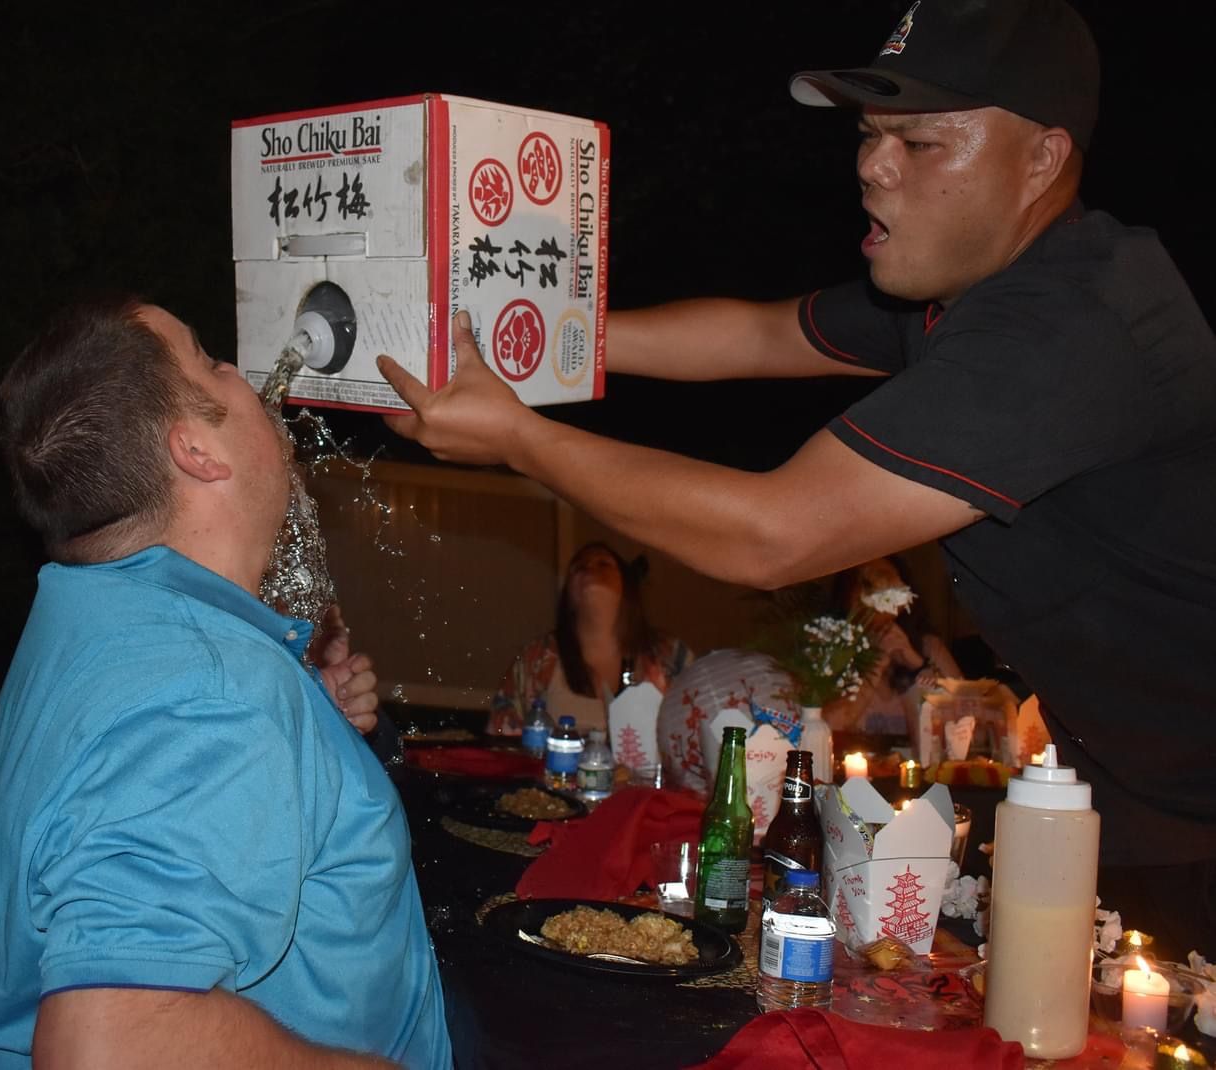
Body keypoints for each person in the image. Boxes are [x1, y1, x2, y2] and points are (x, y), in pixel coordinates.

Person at [376, 0, 1216, 954]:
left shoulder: (1070, 322)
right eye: (868, 134)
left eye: (921, 143)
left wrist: (520, 438)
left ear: (1041, 159)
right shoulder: (960, 293)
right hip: (1134, 793)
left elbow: (777, 533)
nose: (871, 165)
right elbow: (759, 333)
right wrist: (543, 351)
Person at [0, 296, 451, 1068]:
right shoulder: (212, 693)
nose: (240, 373)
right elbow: (108, 1043)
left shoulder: (93, 617)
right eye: (211, 360)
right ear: (196, 450)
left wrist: (307, 732)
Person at [487, 542, 692, 735]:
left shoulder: (670, 655)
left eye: (603, 564)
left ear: (626, 585)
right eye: (579, 567)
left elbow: (696, 731)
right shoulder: (537, 657)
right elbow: (502, 733)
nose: (590, 569)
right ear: (568, 594)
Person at [823, 556, 962, 736]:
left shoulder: (928, 646)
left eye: (888, 582)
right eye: (868, 586)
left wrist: (917, 664)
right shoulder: (830, 652)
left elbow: (966, 720)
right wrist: (875, 666)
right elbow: (829, 727)